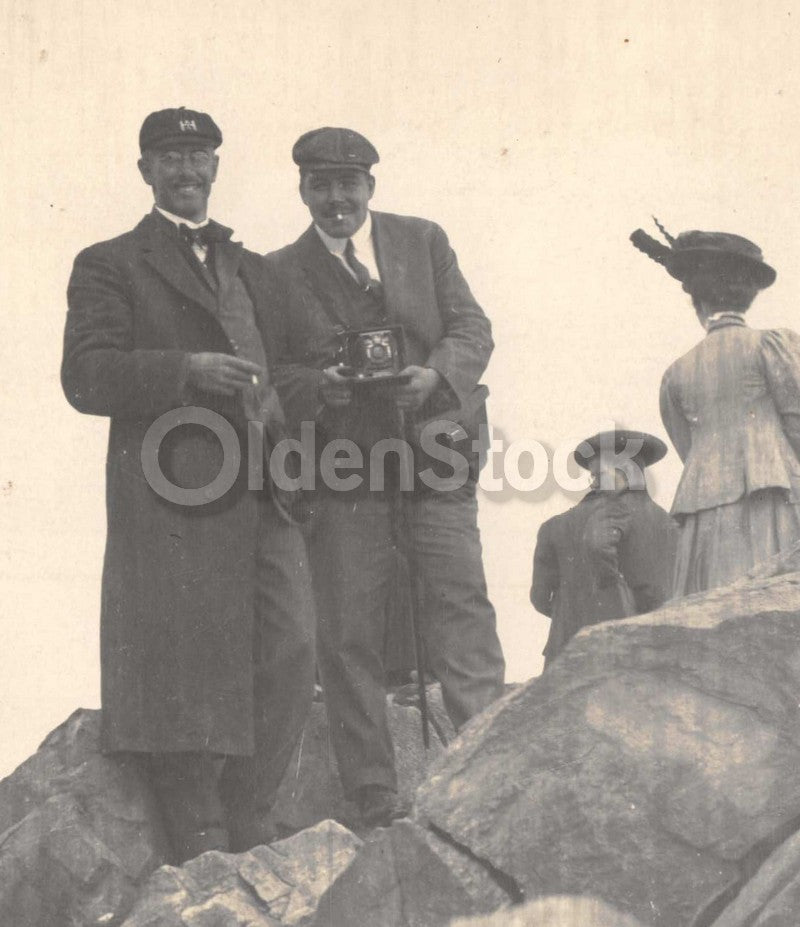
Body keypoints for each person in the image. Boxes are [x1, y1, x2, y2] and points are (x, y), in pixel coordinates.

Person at [61, 108, 316, 862]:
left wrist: (317, 389)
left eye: (198, 155)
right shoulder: (110, 262)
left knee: (292, 645)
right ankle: (201, 829)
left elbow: (294, 369)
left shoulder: (254, 269)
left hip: (265, 489)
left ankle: (251, 810)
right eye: (169, 157)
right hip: (172, 495)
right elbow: (86, 375)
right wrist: (185, 371)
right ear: (145, 170)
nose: (186, 170)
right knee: (184, 659)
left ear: (216, 166)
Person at [263, 126, 506, 827]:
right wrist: (320, 386)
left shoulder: (422, 240)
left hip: (433, 451)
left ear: (371, 184)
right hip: (343, 469)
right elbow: (275, 370)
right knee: (348, 630)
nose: (335, 199)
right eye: (320, 185)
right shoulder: (278, 271)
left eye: (348, 183)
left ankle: (492, 768)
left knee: (460, 603)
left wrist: (434, 375)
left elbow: (472, 327)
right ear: (303, 189)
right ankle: (374, 798)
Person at [632, 224, 800, 595]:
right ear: (747, 296)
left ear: (699, 302)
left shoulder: (675, 373)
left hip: (701, 505)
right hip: (770, 495)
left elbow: (685, 443)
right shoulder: (771, 345)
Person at [531, 429, 678, 667]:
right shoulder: (670, 523)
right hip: (645, 651)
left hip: (568, 654)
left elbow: (539, 599)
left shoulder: (553, 527)